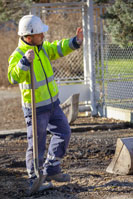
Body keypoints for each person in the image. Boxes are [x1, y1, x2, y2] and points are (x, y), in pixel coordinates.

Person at [8, 15, 83, 189]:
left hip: (53, 104)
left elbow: (58, 48)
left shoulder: (42, 48)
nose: (43, 36)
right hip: (35, 109)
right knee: (36, 144)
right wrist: (25, 62)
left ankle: (52, 168)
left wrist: (75, 42)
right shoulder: (18, 55)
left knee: (63, 132)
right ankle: (34, 179)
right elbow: (12, 76)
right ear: (29, 37)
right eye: (40, 33)